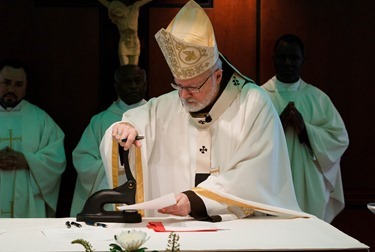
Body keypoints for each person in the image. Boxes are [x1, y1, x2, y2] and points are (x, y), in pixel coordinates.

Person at [100, 0, 306, 222]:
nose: (183, 95)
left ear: (217, 76)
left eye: (192, 87)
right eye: (178, 85)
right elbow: (137, 121)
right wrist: (124, 129)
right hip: (177, 228)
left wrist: (199, 199)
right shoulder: (168, 104)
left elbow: (260, 174)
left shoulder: (253, 104)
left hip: (236, 229)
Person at [261, 34, 349, 223]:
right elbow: (246, 140)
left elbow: (340, 139)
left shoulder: (318, 98)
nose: (287, 63)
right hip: (272, 183)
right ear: (273, 59)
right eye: (282, 57)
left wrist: (306, 131)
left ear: (303, 60)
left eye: (293, 58)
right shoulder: (260, 97)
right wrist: (279, 124)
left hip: (309, 183)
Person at [70, 64, 147, 217]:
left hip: (147, 187)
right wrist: (111, 168)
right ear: (116, 86)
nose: (133, 86)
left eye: (138, 81)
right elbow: (82, 158)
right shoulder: (99, 121)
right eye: (127, 82)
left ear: (146, 83)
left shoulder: (156, 116)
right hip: (109, 194)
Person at [0, 59, 66, 218]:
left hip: (26, 202)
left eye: (18, 85)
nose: (11, 89)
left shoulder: (40, 119)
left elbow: (56, 160)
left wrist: (28, 161)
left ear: (26, 87)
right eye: (6, 83)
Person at [98, 0, 153, 65]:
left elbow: (145, 1)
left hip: (134, 45)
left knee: (133, 70)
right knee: (124, 71)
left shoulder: (134, 9)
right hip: (123, 45)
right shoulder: (118, 17)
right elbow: (106, 3)